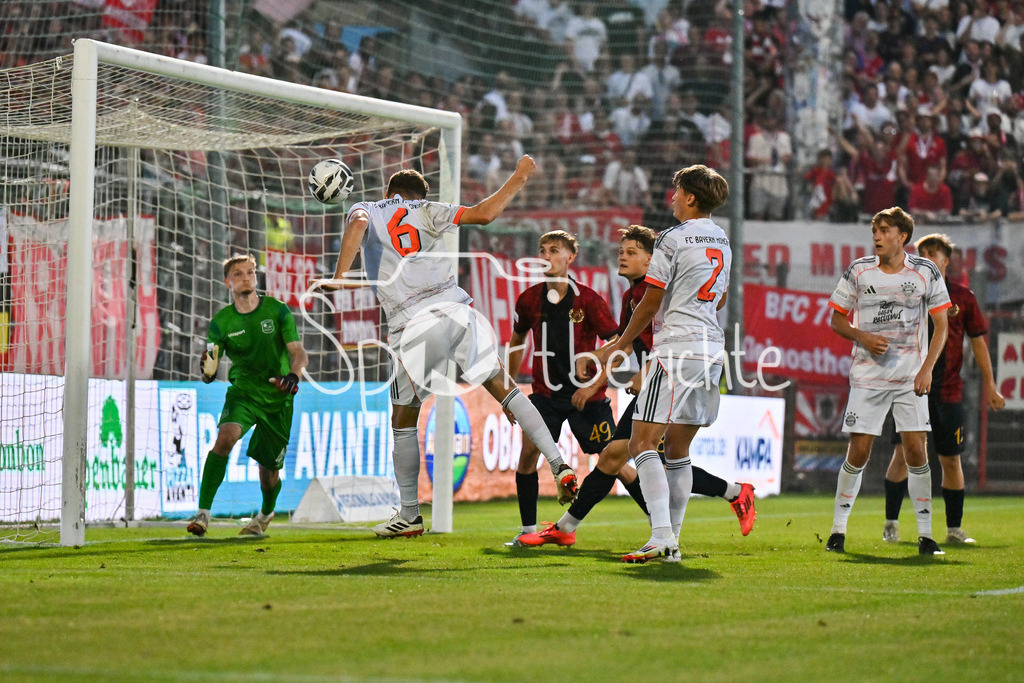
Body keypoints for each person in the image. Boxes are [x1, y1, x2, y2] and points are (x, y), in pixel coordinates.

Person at [323, 155, 579, 538]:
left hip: (412, 323)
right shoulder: (429, 210)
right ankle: (559, 464)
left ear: (389, 192)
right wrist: (519, 176)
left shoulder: (369, 208)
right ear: (419, 195)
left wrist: (341, 275)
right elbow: (485, 213)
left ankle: (409, 514)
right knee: (503, 386)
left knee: (403, 417)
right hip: (457, 310)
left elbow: (358, 222)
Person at [516, 224, 755, 548]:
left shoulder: (652, 293)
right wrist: (602, 357)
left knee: (639, 456)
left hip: (672, 374)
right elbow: (626, 343)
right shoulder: (632, 295)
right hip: (665, 375)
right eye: (621, 252)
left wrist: (631, 371)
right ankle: (572, 527)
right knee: (631, 457)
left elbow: (655, 337)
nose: (623, 257)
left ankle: (676, 523)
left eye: (631, 252)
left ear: (651, 259)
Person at [593, 165, 732, 563]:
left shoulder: (673, 238)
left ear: (690, 197)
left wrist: (621, 342)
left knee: (642, 443)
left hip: (676, 348)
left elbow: (650, 301)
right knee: (678, 448)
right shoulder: (722, 239)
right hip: (711, 348)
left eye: (676, 192)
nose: (671, 197)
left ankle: (659, 536)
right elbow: (719, 300)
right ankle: (671, 542)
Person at [825, 207, 951, 556]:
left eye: (884, 230)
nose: (876, 236)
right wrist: (861, 337)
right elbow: (836, 319)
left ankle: (926, 536)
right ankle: (837, 531)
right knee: (859, 452)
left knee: (915, 452)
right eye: (874, 230)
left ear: (902, 236)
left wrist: (926, 368)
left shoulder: (925, 271)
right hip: (868, 378)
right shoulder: (859, 271)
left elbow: (942, 325)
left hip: (910, 378)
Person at [883, 234, 1005, 545]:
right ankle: (891, 522)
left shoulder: (963, 298)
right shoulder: (907, 294)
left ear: (946, 261)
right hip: (911, 389)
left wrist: (990, 384)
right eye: (922, 253)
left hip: (949, 391)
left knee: (950, 459)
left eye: (933, 253)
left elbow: (978, 343)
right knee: (903, 453)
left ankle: (954, 529)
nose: (926, 258)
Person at [503, 230, 621, 547]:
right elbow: (516, 343)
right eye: (542, 250)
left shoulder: (590, 300)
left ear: (570, 256)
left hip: (587, 398)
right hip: (545, 397)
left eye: (554, 250)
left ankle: (659, 523)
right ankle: (528, 532)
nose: (546, 255)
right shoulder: (528, 299)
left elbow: (616, 345)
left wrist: (596, 383)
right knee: (527, 459)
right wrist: (508, 390)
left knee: (618, 463)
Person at [187, 254, 309, 538]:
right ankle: (203, 513)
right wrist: (206, 370)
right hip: (243, 393)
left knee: (268, 474)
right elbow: (210, 364)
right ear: (228, 282)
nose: (247, 278)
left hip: (278, 399)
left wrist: (293, 376)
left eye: (251, 273)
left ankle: (265, 513)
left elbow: (298, 353)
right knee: (225, 437)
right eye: (239, 274)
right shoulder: (221, 322)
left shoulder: (277, 311)